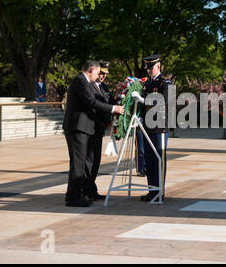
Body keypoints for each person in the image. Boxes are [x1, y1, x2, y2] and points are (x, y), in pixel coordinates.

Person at [63, 60, 124, 207]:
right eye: (98, 72)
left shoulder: (85, 81)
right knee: (78, 163)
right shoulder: (80, 81)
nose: (98, 76)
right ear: (91, 69)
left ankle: (77, 193)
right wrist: (113, 109)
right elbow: (91, 102)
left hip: (84, 128)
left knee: (81, 162)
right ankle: (73, 197)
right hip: (78, 127)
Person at [131, 54, 172, 202]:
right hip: (147, 127)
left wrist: (143, 99)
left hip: (159, 127)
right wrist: (140, 116)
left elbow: (164, 101)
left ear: (158, 66)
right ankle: (152, 190)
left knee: (159, 159)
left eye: (151, 67)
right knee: (149, 160)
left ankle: (159, 191)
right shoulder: (147, 84)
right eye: (147, 68)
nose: (148, 70)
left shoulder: (165, 83)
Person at [87, 61, 116, 201]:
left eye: (105, 74)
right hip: (90, 127)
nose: (103, 76)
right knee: (90, 160)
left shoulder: (103, 87)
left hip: (99, 128)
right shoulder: (89, 86)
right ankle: (87, 189)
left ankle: (92, 188)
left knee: (96, 160)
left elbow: (110, 101)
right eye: (101, 73)